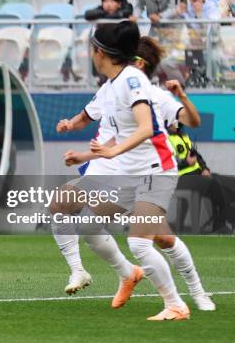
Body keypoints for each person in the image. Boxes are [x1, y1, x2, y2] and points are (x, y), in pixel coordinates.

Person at [56, 36, 214, 312]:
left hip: (153, 172)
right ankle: (125, 274)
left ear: (137, 63)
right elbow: (117, 138)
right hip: (121, 174)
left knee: (158, 239)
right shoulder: (112, 89)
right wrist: (85, 153)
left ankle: (196, 294)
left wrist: (182, 96)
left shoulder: (155, 95)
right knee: (82, 218)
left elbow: (191, 121)